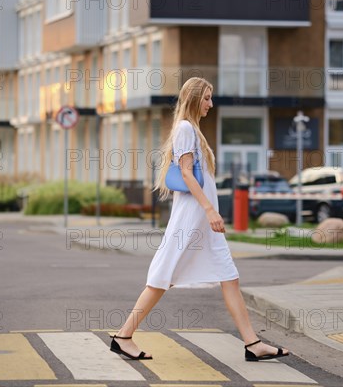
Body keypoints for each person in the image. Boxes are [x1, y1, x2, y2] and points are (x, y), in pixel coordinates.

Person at [110, 77, 290, 362]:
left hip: (201, 222)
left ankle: (252, 343)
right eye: (206, 98)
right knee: (162, 278)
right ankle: (123, 335)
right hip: (192, 219)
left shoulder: (192, 130)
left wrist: (208, 212)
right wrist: (209, 210)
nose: (211, 104)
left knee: (229, 277)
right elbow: (186, 174)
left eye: (211, 97)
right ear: (194, 98)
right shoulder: (184, 129)